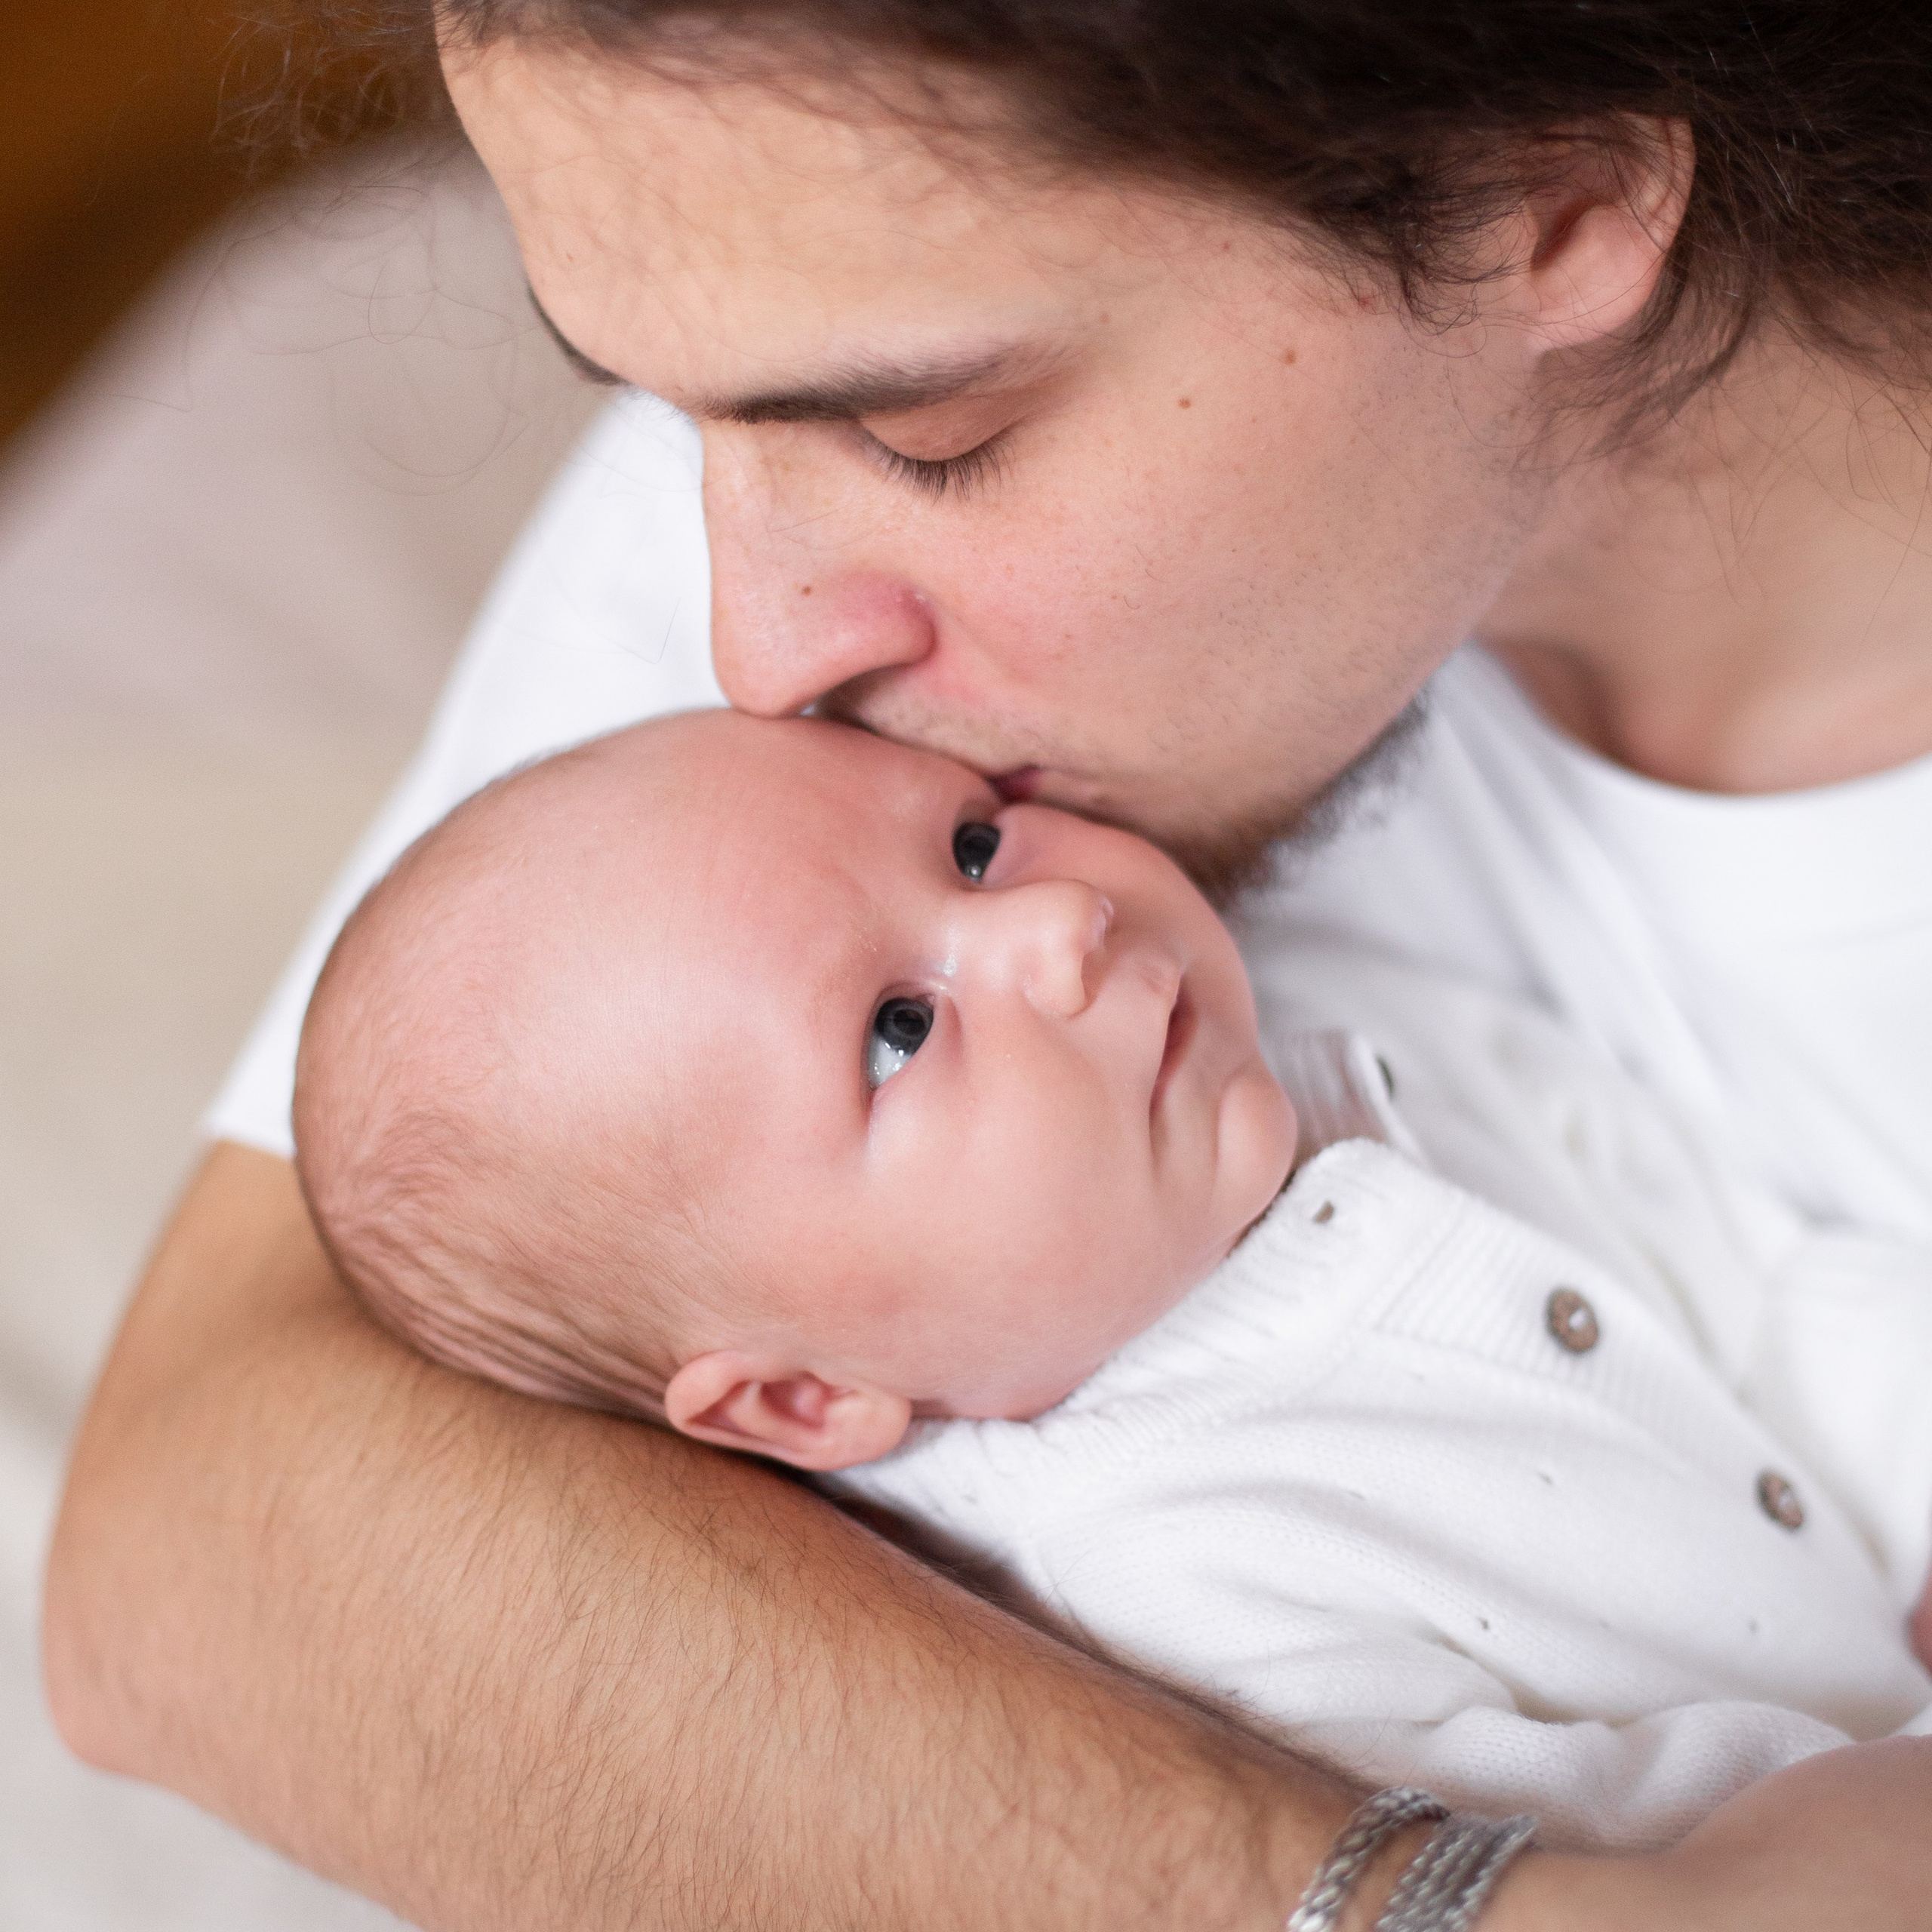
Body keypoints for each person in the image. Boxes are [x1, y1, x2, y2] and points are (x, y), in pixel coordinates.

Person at [43, 3, 1932, 1927]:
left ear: (1547, 201)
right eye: (645, 407)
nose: (752, 654)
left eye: (923, 438)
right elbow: (197, 1542)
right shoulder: (802, 279)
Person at [290, 707, 1932, 1861]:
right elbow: (1614, 1859)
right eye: (896, 1028)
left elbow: (1751, 1278)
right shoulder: (1170, 1580)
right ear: (804, 1395)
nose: (1059, 925)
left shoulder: (1346, 1032)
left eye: (973, 839)